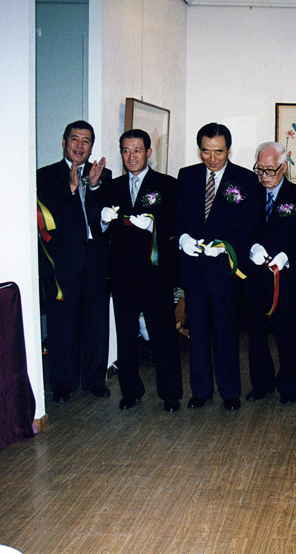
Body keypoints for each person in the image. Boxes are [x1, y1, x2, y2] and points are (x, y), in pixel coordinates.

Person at [176, 123, 264, 411]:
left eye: (219, 152)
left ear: (228, 149)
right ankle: (200, 390)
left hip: (225, 268)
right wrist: (182, 238)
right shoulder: (187, 176)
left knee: (226, 332)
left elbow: (250, 220)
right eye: (206, 151)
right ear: (199, 149)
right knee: (197, 332)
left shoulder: (246, 179)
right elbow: (178, 216)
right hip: (194, 268)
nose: (212, 158)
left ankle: (229, 392)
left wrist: (225, 244)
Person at [100, 129, 183, 413]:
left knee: (163, 334)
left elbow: (175, 224)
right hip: (123, 273)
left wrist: (153, 226)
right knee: (126, 334)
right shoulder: (112, 187)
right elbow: (103, 229)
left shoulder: (167, 184)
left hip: (155, 273)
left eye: (137, 150)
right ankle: (130, 391)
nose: (131, 156)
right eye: (126, 150)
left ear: (148, 152)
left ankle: (170, 393)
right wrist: (103, 221)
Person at [37, 120, 112, 403]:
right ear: (64, 142)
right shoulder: (45, 176)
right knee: (62, 324)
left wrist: (93, 186)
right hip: (63, 262)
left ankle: (95, 379)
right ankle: (62, 383)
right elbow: (45, 216)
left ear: (91, 147)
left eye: (86, 141)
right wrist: (70, 188)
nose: (80, 146)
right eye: (74, 139)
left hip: (95, 260)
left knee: (96, 323)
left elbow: (105, 218)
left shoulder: (103, 175)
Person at [245, 141, 296, 405]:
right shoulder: (250, 194)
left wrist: (286, 256)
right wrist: (252, 247)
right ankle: (261, 383)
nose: (264, 176)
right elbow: (242, 229)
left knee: (287, 333)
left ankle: (288, 385)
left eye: (270, 170)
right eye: (259, 169)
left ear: (284, 167)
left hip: (286, 277)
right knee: (256, 332)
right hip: (256, 275)